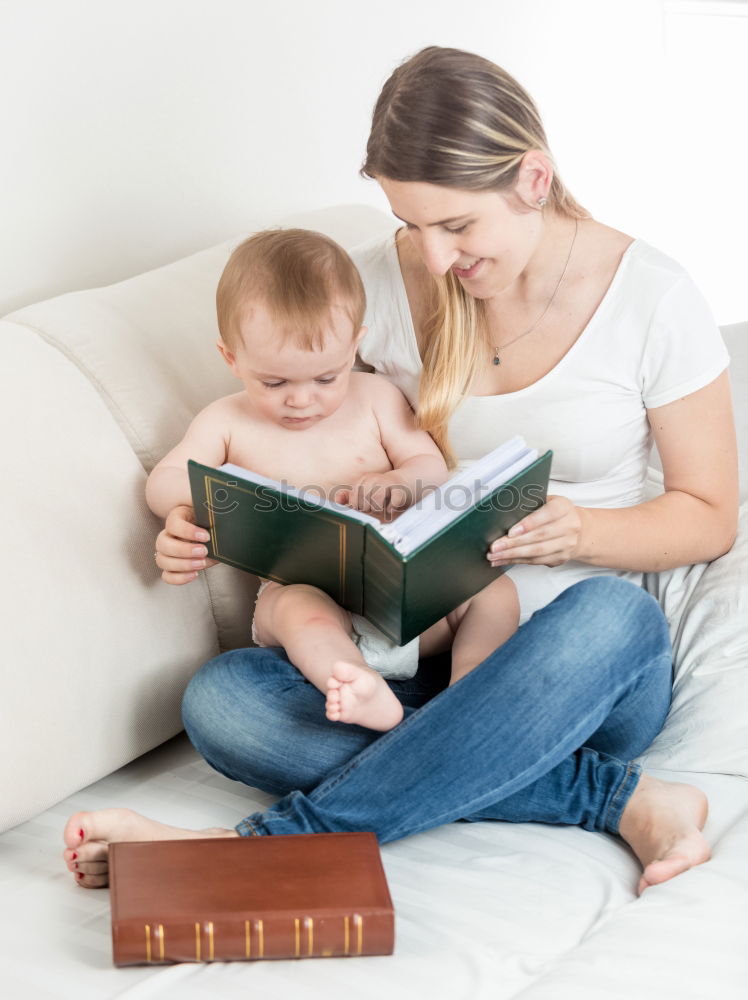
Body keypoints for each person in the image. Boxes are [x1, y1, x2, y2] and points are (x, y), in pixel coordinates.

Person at [63, 46, 738, 897]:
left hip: (576, 669)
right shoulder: (382, 287)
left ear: (534, 179)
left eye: (456, 226)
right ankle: (620, 800)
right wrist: (198, 521)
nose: (430, 256)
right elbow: (289, 416)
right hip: (409, 652)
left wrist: (588, 531)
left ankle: (260, 854)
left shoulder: (654, 298)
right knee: (225, 704)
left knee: (609, 616)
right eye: (411, 225)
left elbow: (711, 514)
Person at [144, 227, 521, 733]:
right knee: (298, 609)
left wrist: (400, 481)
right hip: (309, 598)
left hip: (404, 598)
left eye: (326, 378)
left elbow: (430, 466)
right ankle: (354, 682)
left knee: (494, 592)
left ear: (354, 346)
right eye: (274, 382)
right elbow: (165, 479)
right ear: (231, 358)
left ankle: (471, 688)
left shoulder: (377, 398)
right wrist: (190, 513)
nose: (302, 400)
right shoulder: (225, 421)